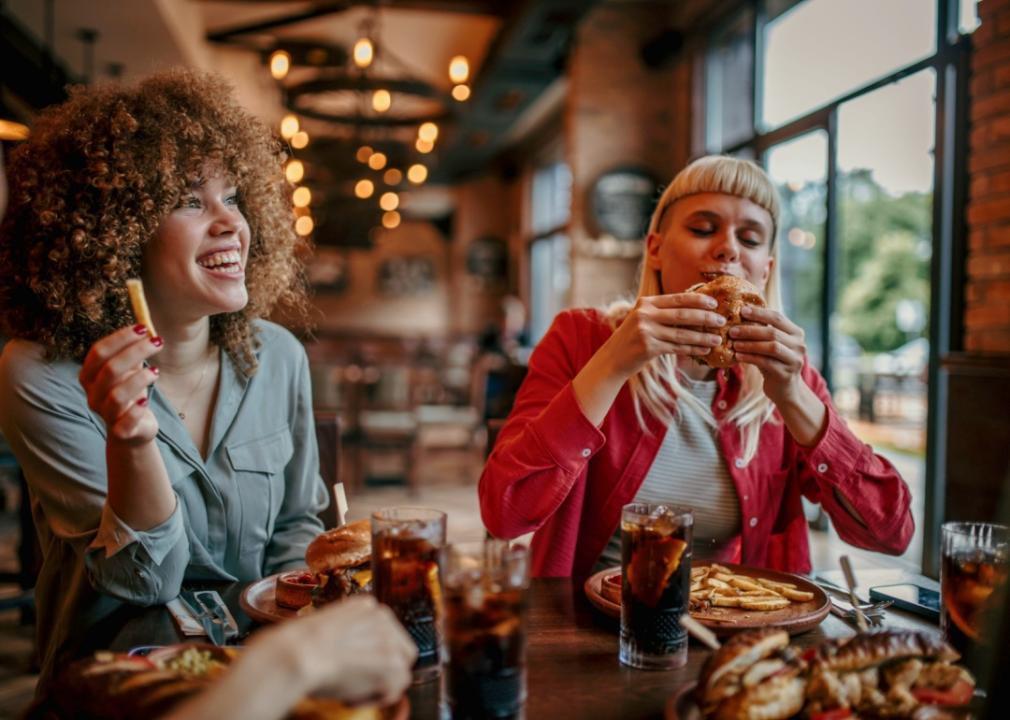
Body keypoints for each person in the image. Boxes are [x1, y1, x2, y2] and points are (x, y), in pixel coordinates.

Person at [0, 70, 330, 689]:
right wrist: (131, 438)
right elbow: (145, 581)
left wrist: (295, 645)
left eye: (232, 197)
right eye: (187, 200)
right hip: (118, 690)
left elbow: (295, 530)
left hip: (262, 679)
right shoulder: (40, 374)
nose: (230, 222)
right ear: (114, 235)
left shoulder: (279, 356)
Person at [479, 156, 914, 578]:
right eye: (703, 228)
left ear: (766, 269)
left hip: (733, 628)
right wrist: (612, 364)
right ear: (655, 249)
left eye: (749, 239)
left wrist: (794, 395)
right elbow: (505, 513)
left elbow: (891, 533)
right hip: (589, 623)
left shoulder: (787, 374)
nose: (728, 248)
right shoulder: (582, 338)